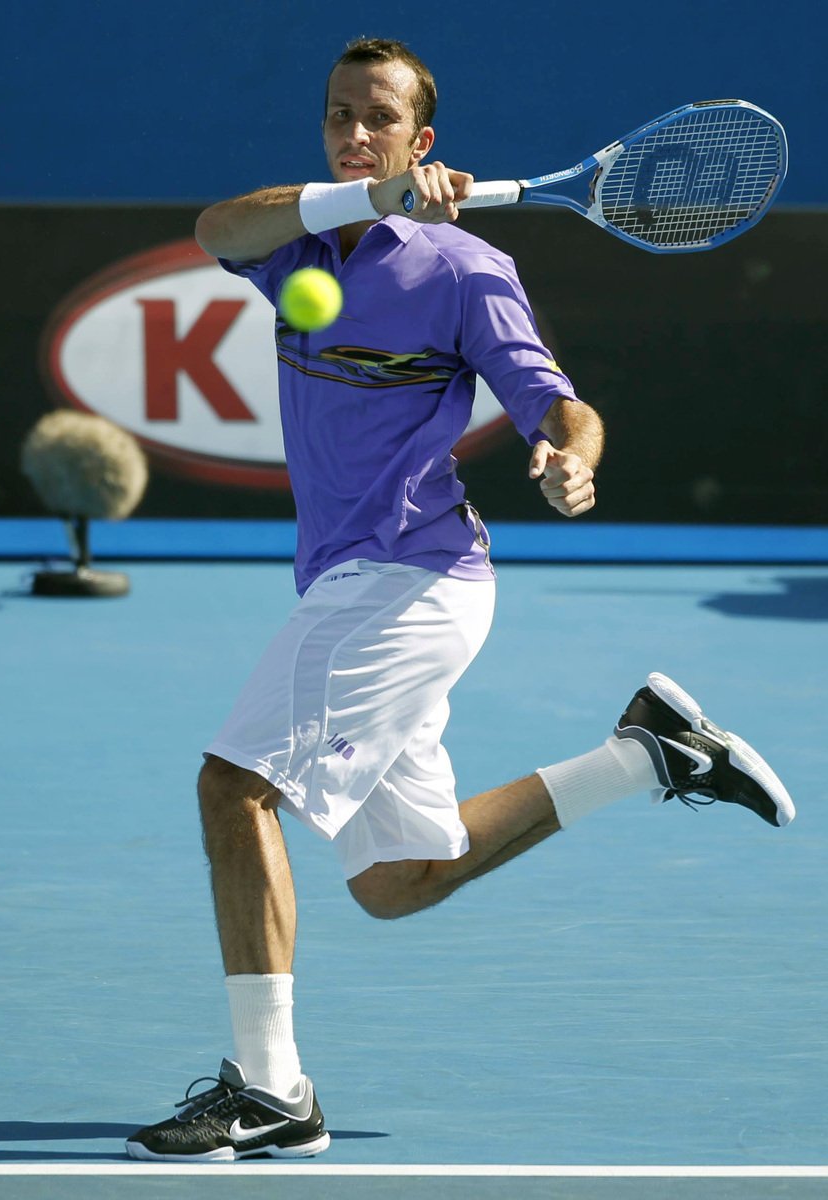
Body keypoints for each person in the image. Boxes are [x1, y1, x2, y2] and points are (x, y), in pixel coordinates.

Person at [126, 37, 795, 1163]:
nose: (354, 129)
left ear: (421, 139)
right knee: (398, 880)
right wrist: (359, 194)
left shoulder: (460, 268)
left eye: (378, 118)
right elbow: (214, 232)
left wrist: (567, 456)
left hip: (409, 577)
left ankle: (272, 1089)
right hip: (369, 579)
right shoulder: (297, 232)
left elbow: (557, 403)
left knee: (233, 786)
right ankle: (647, 755)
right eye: (339, 112)